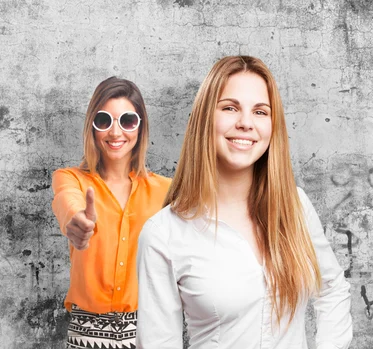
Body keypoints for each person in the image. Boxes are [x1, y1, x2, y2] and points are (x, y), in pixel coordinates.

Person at [136, 56, 352, 349]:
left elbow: (332, 289)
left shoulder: (296, 206)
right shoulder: (163, 234)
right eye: (230, 108)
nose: (246, 123)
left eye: (260, 112)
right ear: (204, 118)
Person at [52, 76, 171, 349]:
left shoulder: (168, 191)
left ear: (140, 127)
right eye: (104, 121)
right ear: (92, 127)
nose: (116, 133)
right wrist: (76, 222)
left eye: (127, 120)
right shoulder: (70, 179)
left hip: (149, 335)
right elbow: (66, 202)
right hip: (87, 335)